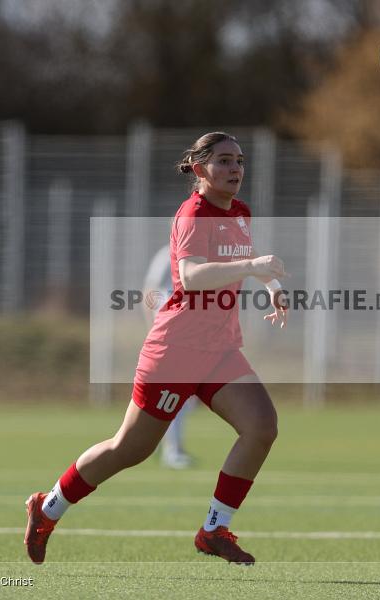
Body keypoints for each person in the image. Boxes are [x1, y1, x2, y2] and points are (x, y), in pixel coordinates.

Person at [24, 132, 289, 565]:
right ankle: (47, 507)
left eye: (240, 161)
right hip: (176, 351)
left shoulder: (239, 212)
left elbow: (247, 252)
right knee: (129, 448)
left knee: (262, 425)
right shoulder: (192, 214)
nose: (236, 169)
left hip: (219, 349)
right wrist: (252, 267)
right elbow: (191, 275)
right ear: (200, 168)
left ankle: (213, 530)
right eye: (224, 161)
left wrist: (271, 283)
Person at [142, 243, 199, 470]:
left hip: (188, 336)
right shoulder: (166, 254)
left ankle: (154, 440)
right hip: (170, 335)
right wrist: (153, 330)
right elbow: (149, 290)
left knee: (185, 398)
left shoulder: (198, 257)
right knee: (175, 395)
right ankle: (171, 451)